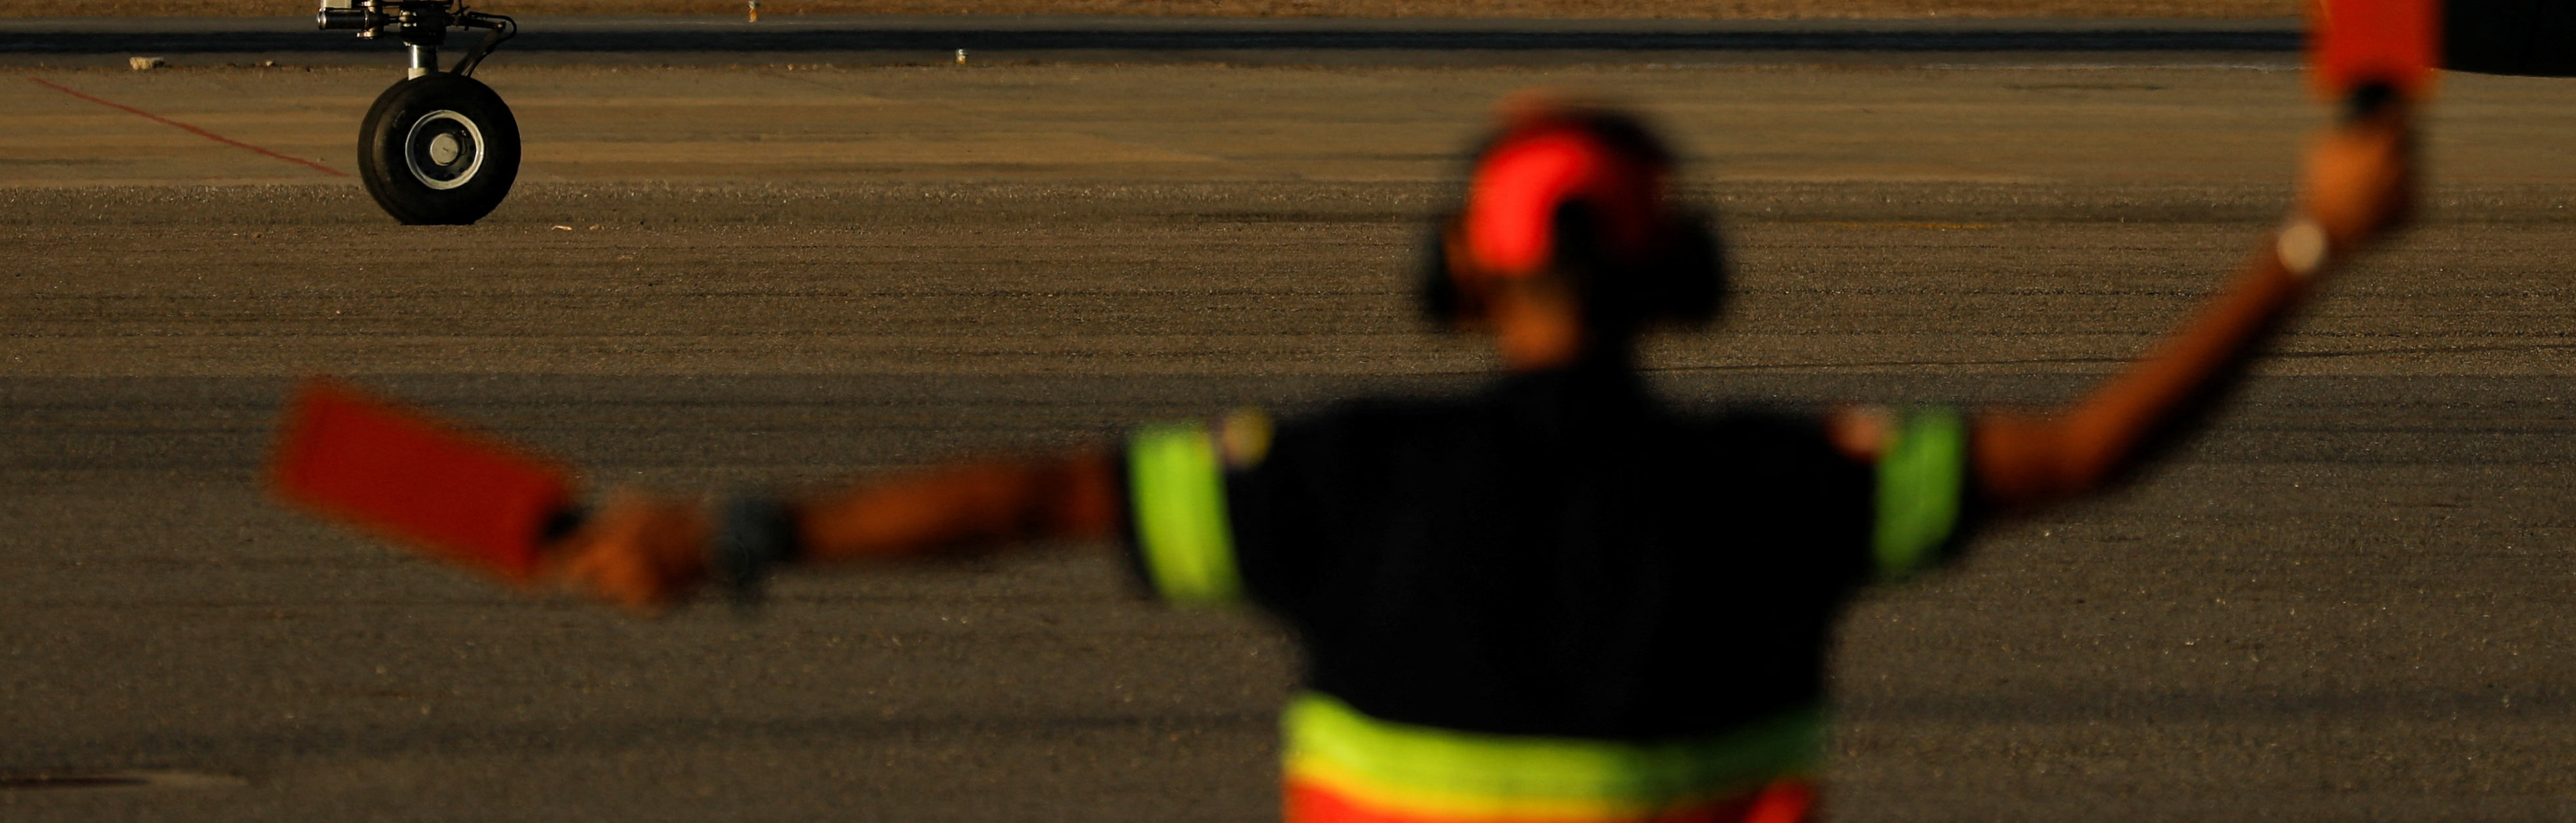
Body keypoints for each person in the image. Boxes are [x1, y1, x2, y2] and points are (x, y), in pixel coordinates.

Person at [549, 95, 2415, 822]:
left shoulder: (1340, 479)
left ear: (1459, 267)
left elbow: (1033, 496)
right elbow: (2090, 450)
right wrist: (2314, 238)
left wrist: (735, 532)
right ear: (1681, 269)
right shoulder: (1782, 490)